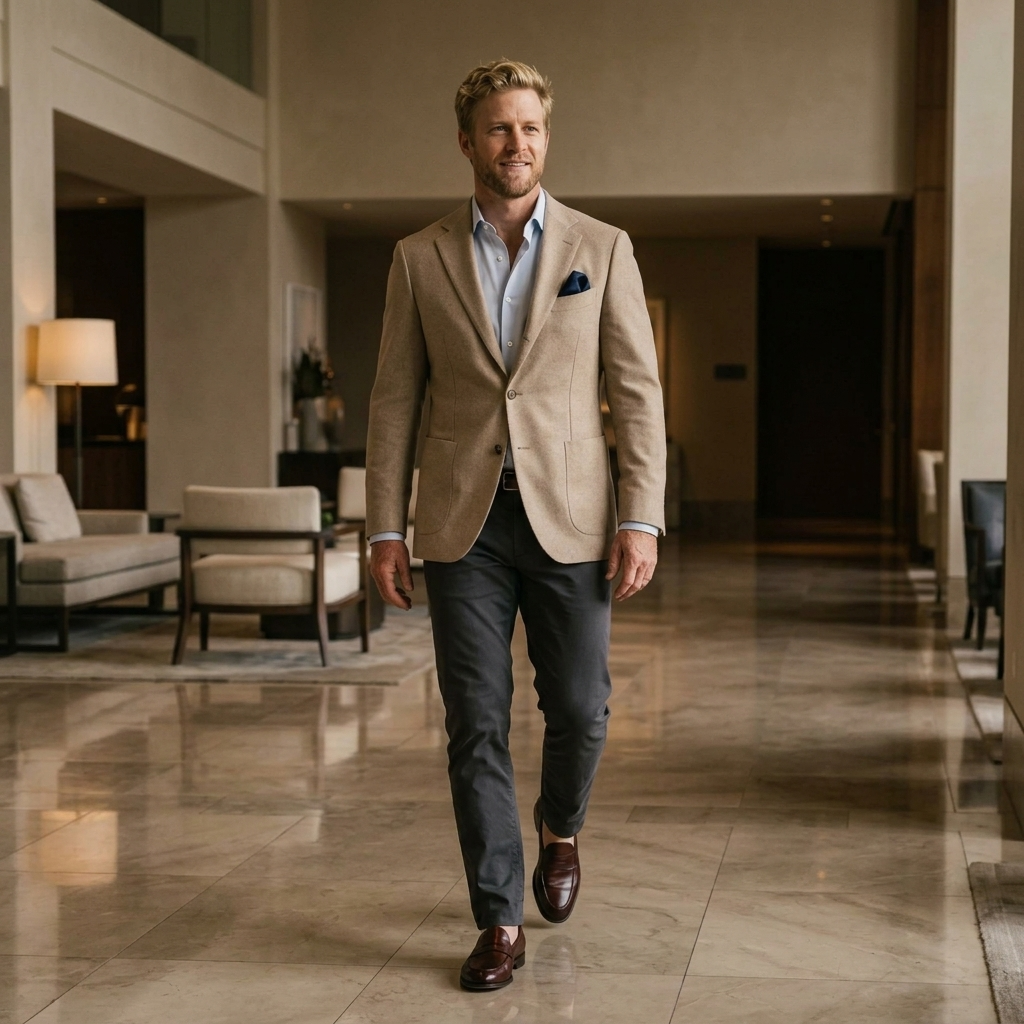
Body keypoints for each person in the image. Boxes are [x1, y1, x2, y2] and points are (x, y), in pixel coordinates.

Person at [365, 59, 665, 992]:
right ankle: (497, 919)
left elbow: (636, 391)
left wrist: (642, 516)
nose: (517, 145)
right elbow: (392, 401)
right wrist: (383, 527)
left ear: (546, 136)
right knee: (475, 723)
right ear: (468, 142)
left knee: (580, 707)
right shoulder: (419, 257)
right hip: (463, 525)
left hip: (573, 518)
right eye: (499, 129)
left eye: (530, 129)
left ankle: (561, 827)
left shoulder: (600, 246)